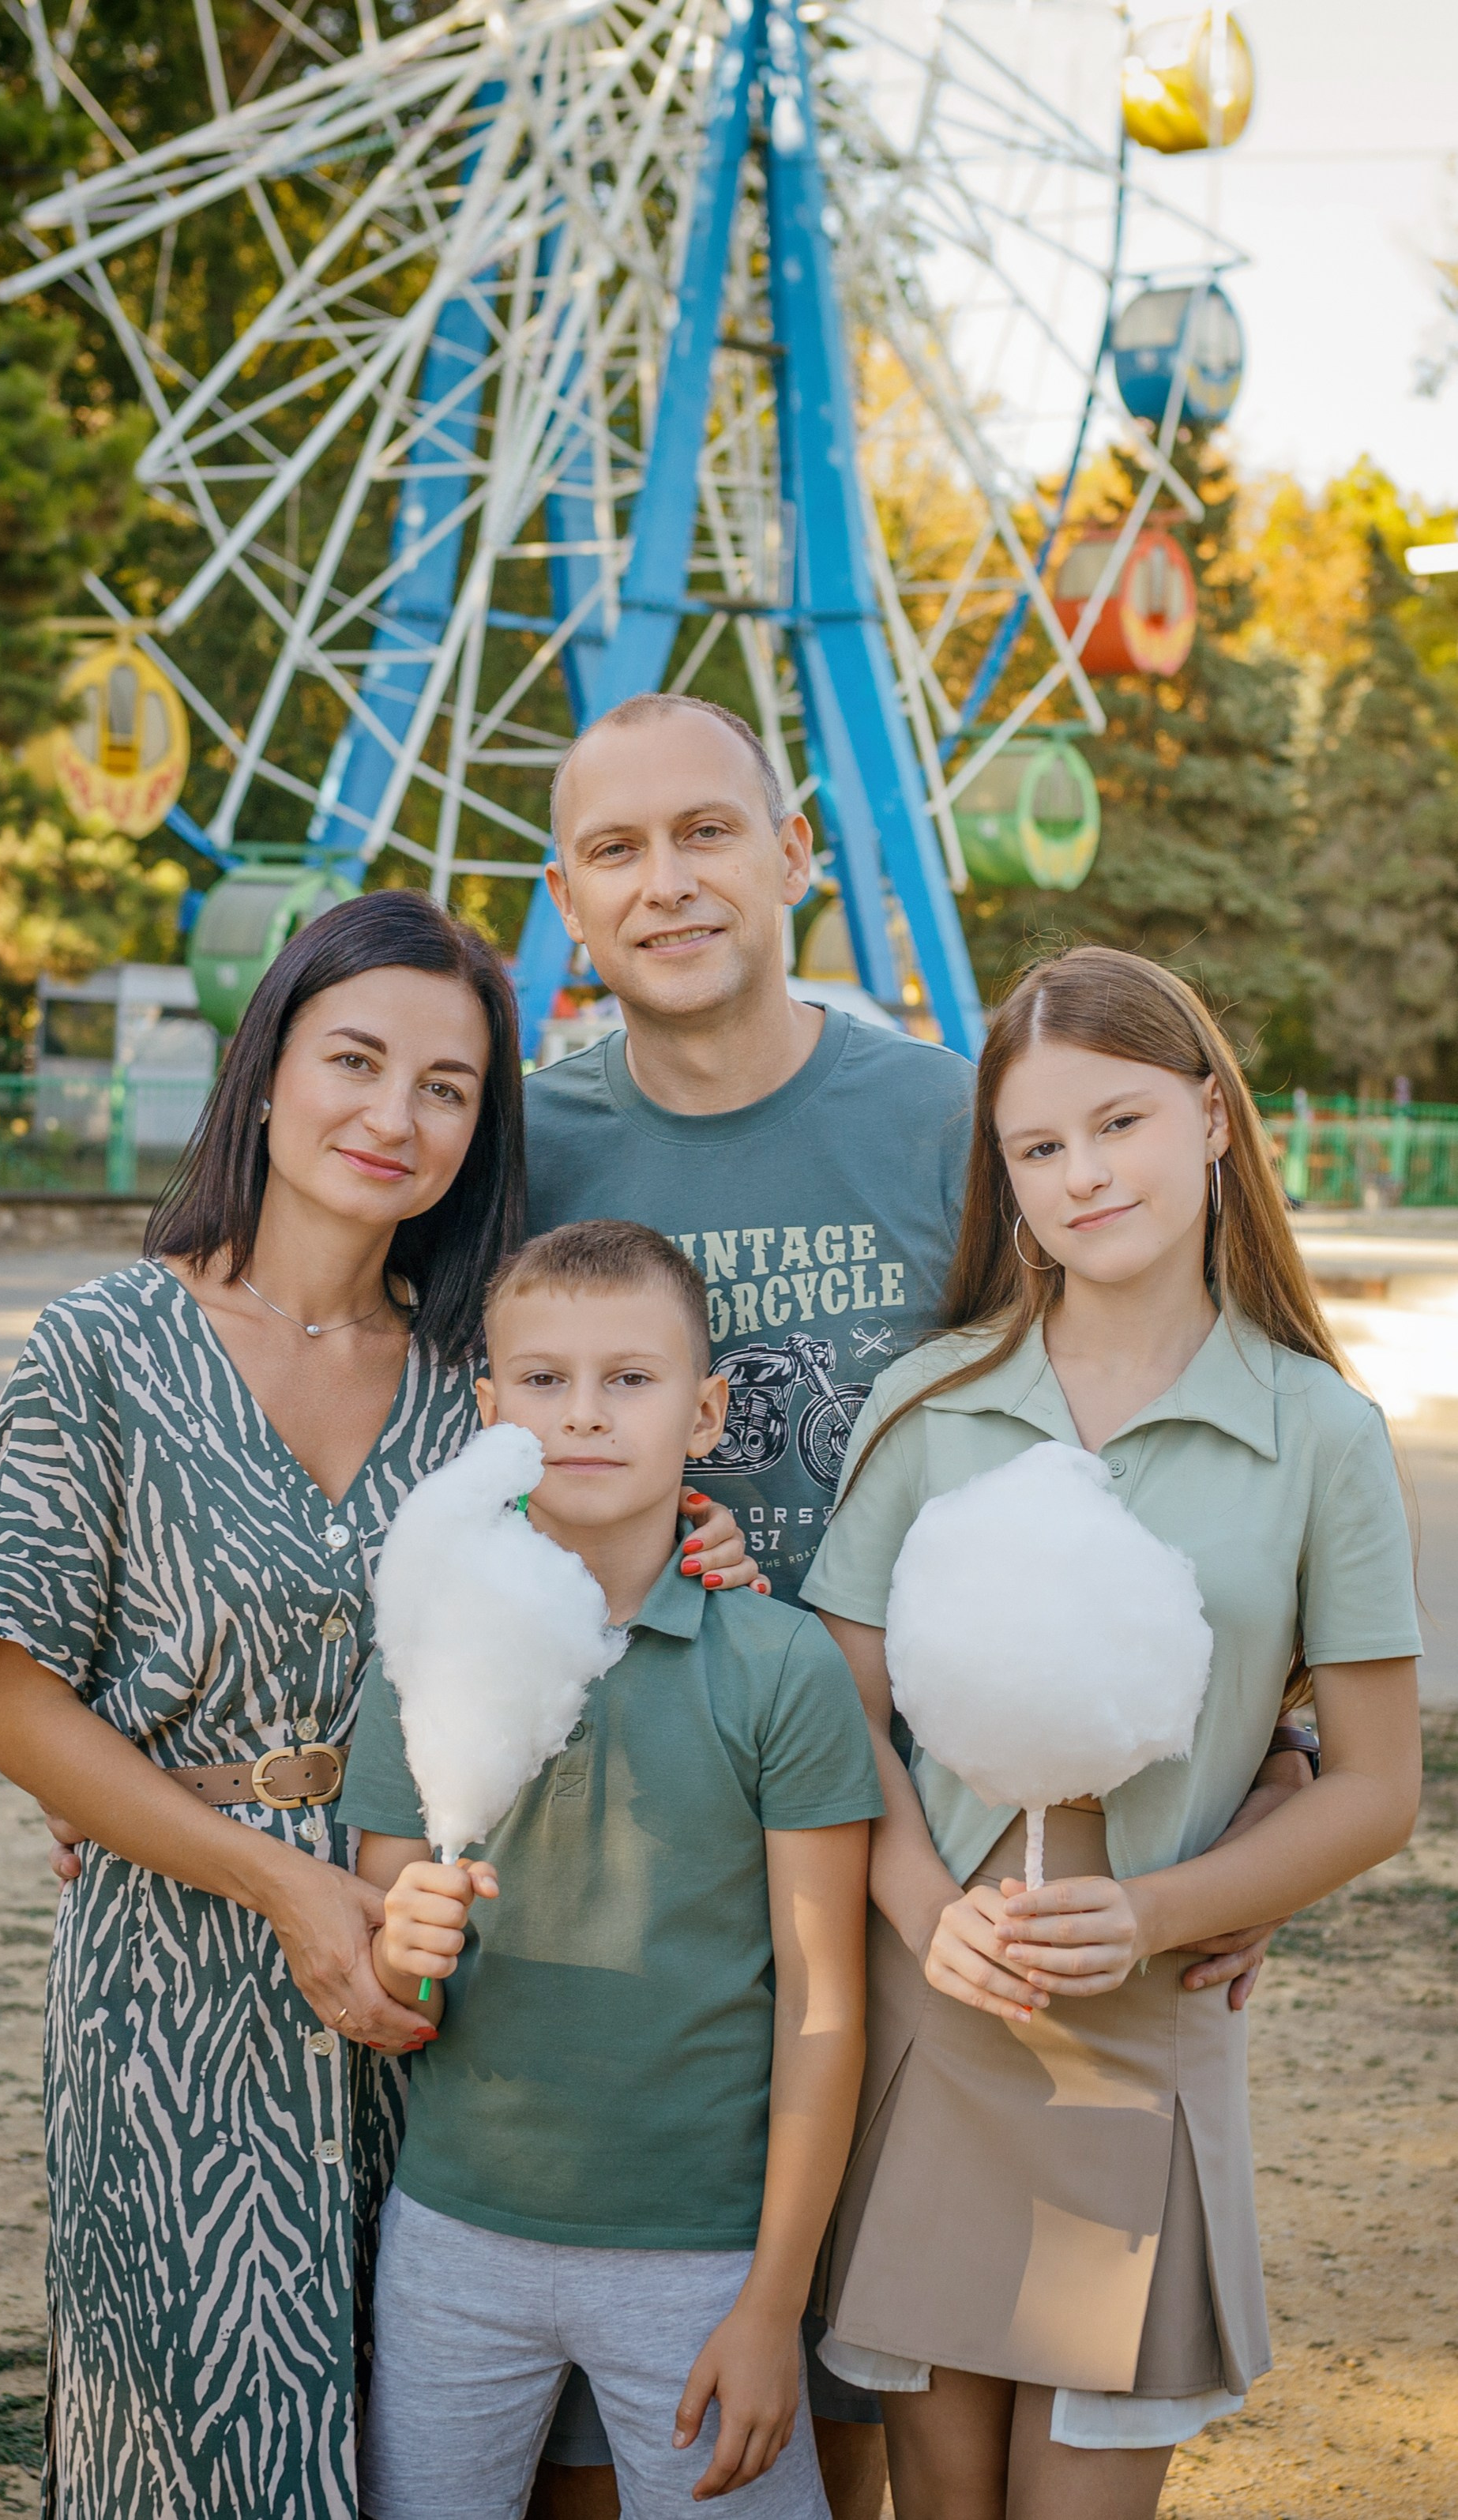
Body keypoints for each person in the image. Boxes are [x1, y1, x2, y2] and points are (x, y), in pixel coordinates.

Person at [520, 692, 1308, 2514]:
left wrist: (1258, 1769)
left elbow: (1118, 1416)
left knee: (860, 2395)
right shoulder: (527, 1147)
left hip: (908, 1866)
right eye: (615, 849)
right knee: (615, 2426)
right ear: (565, 899)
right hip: (619, 1850)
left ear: (794, 852)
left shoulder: (945, 1119)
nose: (665, 881)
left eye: (707, 830)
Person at [0, 893, 755, 2520]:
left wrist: (700, 1540)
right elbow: (20, 1704)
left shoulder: (487, 1384)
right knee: (199, 2442)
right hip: (173, 1989)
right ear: (265, 1071)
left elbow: (608, 1581)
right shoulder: (103, 1347)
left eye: (447, 1086)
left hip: (453, 1980)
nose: (395, 1113)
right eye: (356, 1060)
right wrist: (285, 1884)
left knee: (435, 2448)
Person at [798, 945, 1422, 2519]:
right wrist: (924, 1914)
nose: (1082, 1172)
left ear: (1211, 1118)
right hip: (937, 2010)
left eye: (1118, 1121)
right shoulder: (930, 1402)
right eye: (1038, 1145)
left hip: (1144, 2028)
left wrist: (1158, 1910)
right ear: (1004, 1179)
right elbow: (832, 1709)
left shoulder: (1319, 1433)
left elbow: (1373, 1788)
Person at [339, 1221, 885, 2517]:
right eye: (544, 1379)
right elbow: (387, 1982)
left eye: (630, 1379)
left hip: (705, 2253)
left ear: (705, 1414)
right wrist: (400, 1946)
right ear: (489, 1412)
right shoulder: (428, 1649)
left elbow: (821, 2004)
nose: (584, 1413)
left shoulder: (778, 1665)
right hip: (457, 2233)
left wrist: (774, 2301)